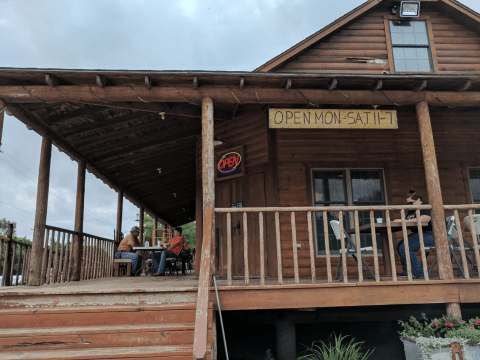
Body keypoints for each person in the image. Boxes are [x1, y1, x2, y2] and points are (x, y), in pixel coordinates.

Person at [395, 188, 435, 279]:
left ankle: (419, 273)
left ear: (419, 200)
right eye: (408, 203)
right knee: (399, 245)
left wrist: (402, 221)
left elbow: (425, 219)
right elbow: (409, 221)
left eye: (411, 203)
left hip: (432, 235)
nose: (409, 205)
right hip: (421, 234)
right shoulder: (412, 210)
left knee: (404, 247)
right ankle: (407, 271)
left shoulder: (425, 205)